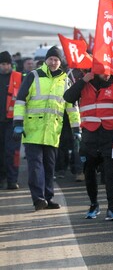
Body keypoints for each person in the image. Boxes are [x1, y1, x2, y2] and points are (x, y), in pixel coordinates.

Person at [13, 46, 81, 210]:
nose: (53, 62)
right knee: (36, 167)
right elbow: (21, 100)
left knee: (50, 168)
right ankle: (38, 199)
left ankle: (48, 198)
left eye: (56, 60)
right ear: (45, 60)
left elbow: (72, 106)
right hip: (32, 131)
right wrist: (17, 123)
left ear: (60, 62)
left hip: (52, 132)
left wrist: (76, 128)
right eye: (50, 59)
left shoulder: (66, 80)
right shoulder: (33, 76)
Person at [63, 70, 113, 221]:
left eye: (108, 71)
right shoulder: (84, 84)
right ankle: (94, 205)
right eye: (102, 71)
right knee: (89, 171)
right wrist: (83, 81)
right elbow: (67, 97)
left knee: (112, 172)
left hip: (110, 135)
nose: (106, 74)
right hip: (89, 136)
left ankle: (112, 208)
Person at [0, 51, 22, 190]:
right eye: (2, 64)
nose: (5, 67)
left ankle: (12, 180)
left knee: (12, 152)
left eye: (7, 64)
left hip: (12, 122)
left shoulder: (19, 77)